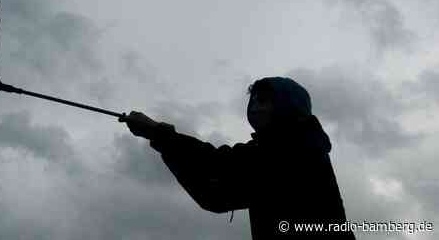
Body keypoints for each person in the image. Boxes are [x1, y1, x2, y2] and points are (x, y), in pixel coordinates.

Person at [120, 77, 355, 239]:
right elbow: (213, 197)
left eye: (263, 100)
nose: (253, 107)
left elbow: (219, 163)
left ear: (289, 106)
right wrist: (164, 145)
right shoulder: (271, 150)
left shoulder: (298, 145)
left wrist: (158, 133)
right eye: (252, 101)